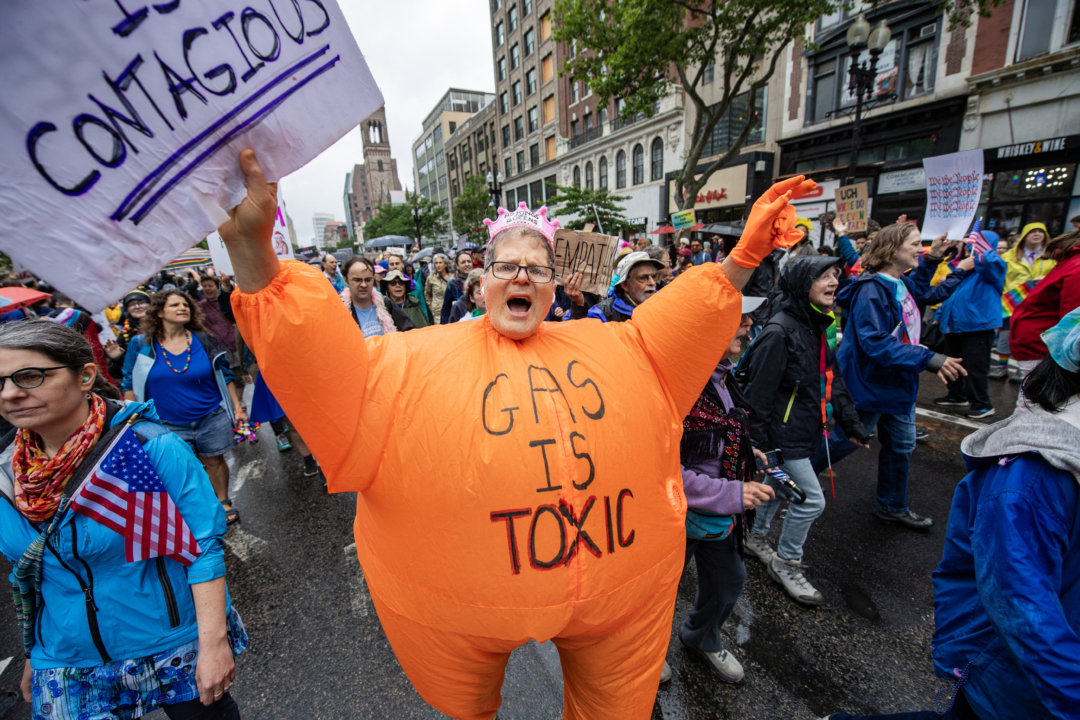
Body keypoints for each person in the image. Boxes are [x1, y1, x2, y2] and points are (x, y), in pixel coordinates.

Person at [220, 148, 814, 720]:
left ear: (554, 288)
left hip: (620, 595)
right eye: (507, 266)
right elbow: (323, 370)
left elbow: (683, 325)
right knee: (465, 699)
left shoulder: (617, 344)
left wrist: (743, 254)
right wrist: (252, 253)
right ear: (482, 283)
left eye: (537, 268)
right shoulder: (404, 361)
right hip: (460, 610)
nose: (521, 275)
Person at [822, 308, 1080, 720]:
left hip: (894, 392)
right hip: (1021, 686)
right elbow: (1022, 606)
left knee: (897, 450)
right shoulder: (1029, 481)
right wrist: (929, 358)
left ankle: (890, 503)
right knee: (831, 461)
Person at [0, 320, 247, 720]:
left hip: (169, 640)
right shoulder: (5, 474)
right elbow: (30, 572)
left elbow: (201, 547)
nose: (11, 393)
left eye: (30, 376)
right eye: (0, 382)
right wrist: (35, 651)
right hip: (64, 657)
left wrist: (214, 644)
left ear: (85, 376)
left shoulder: (147, 446)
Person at [741, 257, 871, 604]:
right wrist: (761, 451)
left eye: (835, 276)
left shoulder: (818, 324)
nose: (833, 283)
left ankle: (754, 536)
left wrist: (852, 425)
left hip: (806, 432)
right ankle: (786, 563)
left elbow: (832, 379)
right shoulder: (778, 332)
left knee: (776, 488)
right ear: (802, 284)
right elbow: (757, 398)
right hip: (783, 440)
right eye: (823, 277)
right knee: (810, 500)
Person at [670, 297, 776, 684]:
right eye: (738, 316)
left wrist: (748, 454)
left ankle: (701, 637)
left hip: (717, 517)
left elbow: (725, 432)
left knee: (730, 580)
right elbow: (660, 470)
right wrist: (732, 493)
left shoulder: (721, 375)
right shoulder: (678, 387)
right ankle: (646, 652)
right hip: (675, 517)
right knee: (657, 595)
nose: (749, 322)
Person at [832, 224, 967, 529]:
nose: (921, 249)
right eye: (917, 244)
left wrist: (934, 259)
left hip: (898, 382)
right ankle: (784, 479)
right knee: (845, 441)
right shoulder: (871, 290)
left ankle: (891, 504)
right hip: (873, 384)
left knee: (901, 445)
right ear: (892, 249)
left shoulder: (900, 281)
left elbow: (926, 291)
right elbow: (875, 342)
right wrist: (930, 358)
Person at [121, 291, 247, 525]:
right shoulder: (141, 345)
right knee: (181, 468)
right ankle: (196, 509)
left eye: (185, 304)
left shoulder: (202, 339)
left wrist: (238, 408)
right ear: (159, 312)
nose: (183, 307)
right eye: (175, 304)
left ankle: (222, 502)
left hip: (210, 416)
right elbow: (129, 382)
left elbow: (224, 373)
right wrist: (135, 418)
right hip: (166, 422)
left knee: (214, 461)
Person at [930, 233, 1006, 419]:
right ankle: (957, 395)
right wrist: (939, 316)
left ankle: (982, 404)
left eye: (974, 244)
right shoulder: (961, 269)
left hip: (978, 326)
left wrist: (980, 246)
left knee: (976, 367)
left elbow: (989, 261)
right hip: (954, 325)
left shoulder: (992, 269)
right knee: (952, 363)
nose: (969, 247)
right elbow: (950, 297)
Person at [1008, 229, 1080, 399]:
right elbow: (1073, 321)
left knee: (1034, 404)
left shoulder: (1074, 260)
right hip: (1045, 346)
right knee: (1038, 406)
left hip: (1038, 338)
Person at [993, 222, 1055, 381]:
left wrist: (1046, 279)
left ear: (1045, 236)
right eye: (1032, 231)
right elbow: (999, 278)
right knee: (1006, 335)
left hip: (1039, 303)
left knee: (1032, 337)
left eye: (1040, 232)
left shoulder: (1052, 255)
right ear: (1024, 236)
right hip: (1012, 301)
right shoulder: (1008, 256)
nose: (1037, 234)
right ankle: (1002, 366)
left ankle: (1023, 369)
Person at [568, 251, 663, 322]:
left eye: (654, 277)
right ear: (626, 285)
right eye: (643, 278)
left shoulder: (664, 304)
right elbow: (577, 333)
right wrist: (578, 306)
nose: (652, 283)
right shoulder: (603, 313)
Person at [340, 256, 414, 336]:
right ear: (346, 281)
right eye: (357, 280)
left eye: (368, 280)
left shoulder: (385, 303)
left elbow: (409, 332)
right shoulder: (340, 310)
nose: (364, 285)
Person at [196, 276, 239, 365]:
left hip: (236, 343)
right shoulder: (198, 307)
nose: (207, 288)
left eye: (210, 286)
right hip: (219, 348)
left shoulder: (229, 302)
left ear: (217, 287)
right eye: (204, 286)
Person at [440, 251, 475, 325]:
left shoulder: (478, 281)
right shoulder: (452, 284)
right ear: (457, 266)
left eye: (469, 261)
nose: (467, 264)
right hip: (460, 323)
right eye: (463, 262)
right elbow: (446, 309)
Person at [425, 253, 454, 324]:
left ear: (445, 264)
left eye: (440, 263)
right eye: (436, 263)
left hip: (451, 309)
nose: (438, 265)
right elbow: (427, 294)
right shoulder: (431, 278)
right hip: (438, 312)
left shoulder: (453, 277)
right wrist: (432, 306)